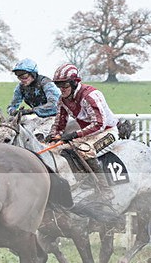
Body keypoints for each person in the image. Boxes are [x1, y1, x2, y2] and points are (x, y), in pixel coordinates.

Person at [47, 63, 119, 199]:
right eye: (58, 85)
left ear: (74, 83)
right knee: (55, 149)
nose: (61, 89)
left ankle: (105, 189)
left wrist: (75, 134)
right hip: (88, 133)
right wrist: (53, 135)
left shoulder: (90, 95)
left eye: (65, 85)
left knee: (85, 151)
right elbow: (59, 122)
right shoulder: (62, 100)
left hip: (107, 132)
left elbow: (99, 124)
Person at [7, 58, 60, 139]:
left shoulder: (46, 83)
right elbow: (11, 106)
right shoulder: (20, 87)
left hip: (54, 117)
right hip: (37, 118)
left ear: (33, 74)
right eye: (19, 77)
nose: (22, 80)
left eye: (24, 76)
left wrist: (32, 110)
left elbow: (54, 104)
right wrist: (13, 111)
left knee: (37, 135)